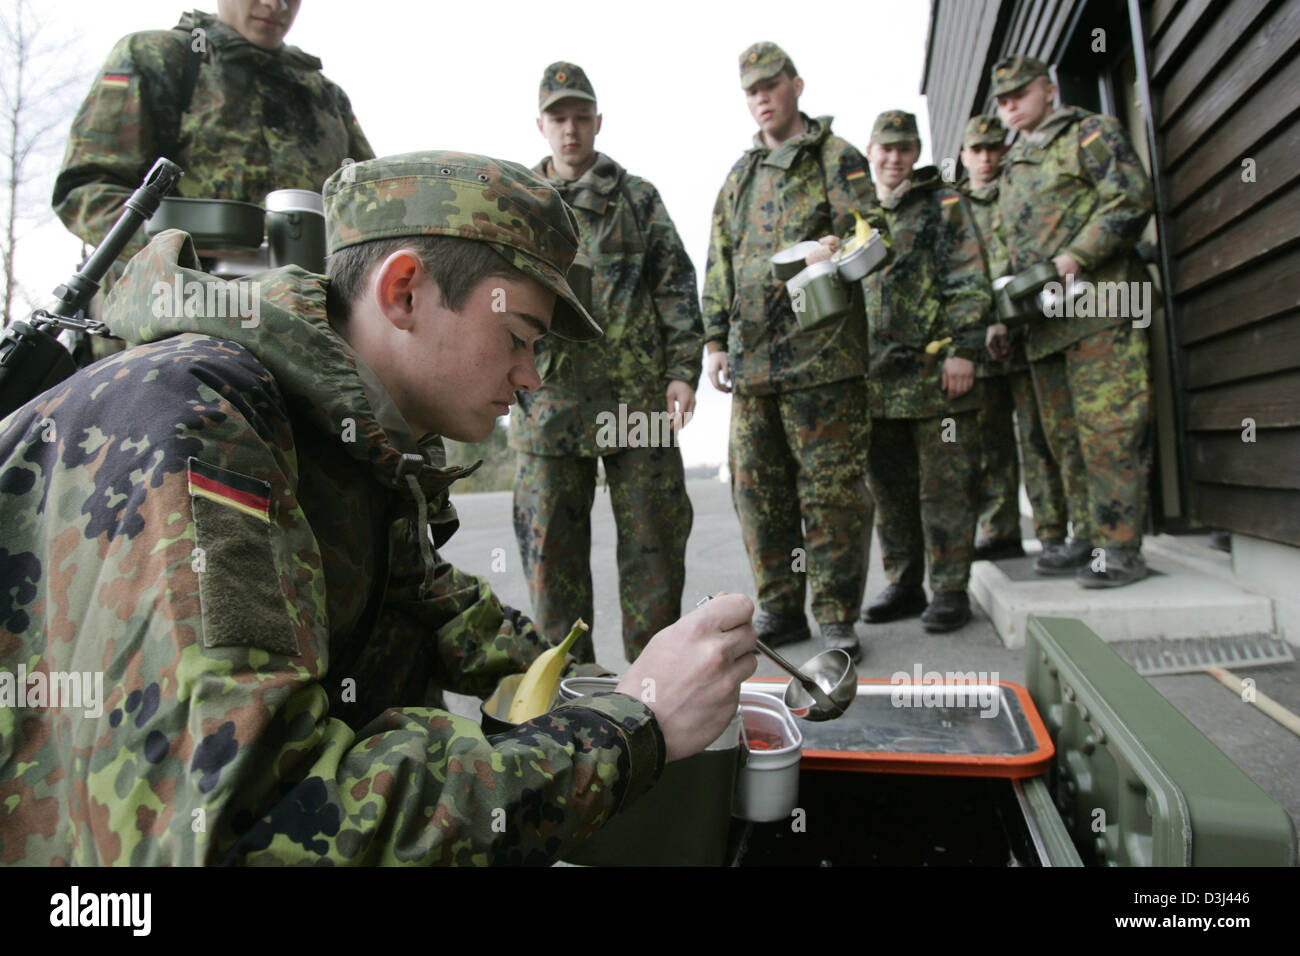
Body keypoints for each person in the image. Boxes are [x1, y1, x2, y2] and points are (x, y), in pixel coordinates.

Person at [0, 150, 758, 865]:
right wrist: (630, 729)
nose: (531, 378)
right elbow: (268, 824)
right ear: (403, 293)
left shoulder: (336, 431)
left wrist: (610, 682)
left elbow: (427, 600)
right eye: (519, 337)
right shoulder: (203, 426)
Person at [510, 62, 702, 664]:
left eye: (581, 117)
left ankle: (655, 685)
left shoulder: (636, 197)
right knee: (552, 560)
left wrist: (682, 371)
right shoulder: (517, 201)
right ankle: (570, 691)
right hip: (548, 401)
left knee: (654, 549)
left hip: (636, 403)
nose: (570, 130)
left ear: (598, 121)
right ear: (540, 124)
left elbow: (674, 283)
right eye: (558, 118)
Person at [703, 42, 874, 661]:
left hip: (822, 356)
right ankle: (781, 606)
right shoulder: (740, 176)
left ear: (796, 85)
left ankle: (835, 618)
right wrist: (715, 340)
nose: (762, 97)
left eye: (771, 84)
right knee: (757, 490)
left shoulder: (836, 157)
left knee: (830, 493)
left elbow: (877, 230)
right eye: (751, 89)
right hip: (753, 365)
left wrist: (836, 243)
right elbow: (718, 260)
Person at [52, 1, 372, 310]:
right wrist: (185, 250)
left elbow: (372, 207)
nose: (276, 5)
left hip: (300, 327)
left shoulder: (324, 97)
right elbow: (84, 192)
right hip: (166, 325)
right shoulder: (159, 57)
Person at [815, 111, 990, 632]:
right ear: (870, 152)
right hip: (875, 378)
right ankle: (906, 583)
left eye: (904, 148)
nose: (893, 158)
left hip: (937, 372)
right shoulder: (855, 213)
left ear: (917, 152)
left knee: (947, 486)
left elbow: (969, 277)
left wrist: (965, 349)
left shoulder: (945, 204)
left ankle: (951, 588)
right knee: (889, 489)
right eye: (885, 148)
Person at [993, 55, 1154, 587]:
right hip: (1045, 324)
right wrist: (1002, 311)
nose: (1010, 105)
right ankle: (1087, 536)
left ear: (1048, 88)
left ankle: (1120, 546)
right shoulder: (1014, 165)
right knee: (1064, 438)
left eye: (1019, 93)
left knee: (1109, 430)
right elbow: (1004, 243)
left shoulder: (1090, 133)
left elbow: (1131, 199)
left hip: (1102, 307)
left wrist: (1074, 257)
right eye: (1001, 99)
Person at [957, 114, 1072, 563]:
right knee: (990, 445)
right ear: (964, 155)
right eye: (977, 150)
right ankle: (1000, 530)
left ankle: (1052, 531)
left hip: (1025, 333)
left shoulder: (1020, 191)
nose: (986, 158)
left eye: (993, 148)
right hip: (978, 344)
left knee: (1039, 436)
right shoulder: (954, 205)